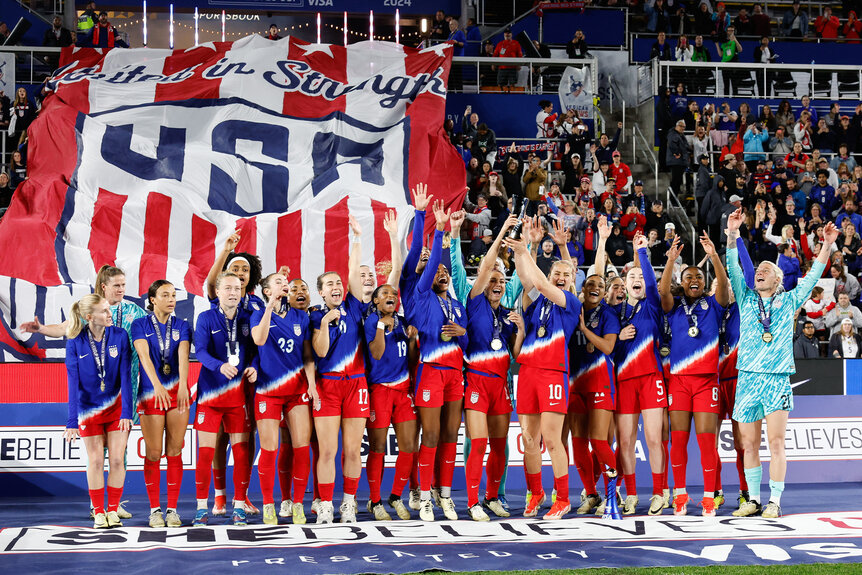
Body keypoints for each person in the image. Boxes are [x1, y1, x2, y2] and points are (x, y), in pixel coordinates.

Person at [726, 209, 838, 518]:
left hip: (775, 378)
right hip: (747, 377)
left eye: (765, 269)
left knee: (775, 442)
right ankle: (751, 500)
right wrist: (732, 234)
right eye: (758, 269)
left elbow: (813, 275)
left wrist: (826, 246)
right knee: (747, 444)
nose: (759, 271)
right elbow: (733, 268)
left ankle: (774, 500)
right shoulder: (746, 297)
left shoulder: (789, 300)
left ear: (778, 280)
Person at [505, 217, 582, 520]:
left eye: (566, 273)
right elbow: (528, 281)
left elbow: (539, 282)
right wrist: (524, 250)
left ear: (571, 279)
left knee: (552, 440)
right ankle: (535, 492)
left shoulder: (570, 303)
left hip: (553, 374)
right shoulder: (537, 303)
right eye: (557, 272)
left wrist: (526, 249)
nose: (561, 276)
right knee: (528, 440)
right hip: (528, 372)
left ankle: (562, 498)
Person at [658, 232, 730, 517]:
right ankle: (680, 495)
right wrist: (671, 262)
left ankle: (710, 497)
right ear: (682, 282)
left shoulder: (714, 304)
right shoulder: (673, 308)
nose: (694, 280)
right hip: (679, 381)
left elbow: (723, 286)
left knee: (705, 442)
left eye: (698, 276)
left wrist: (713, 256)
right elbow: (663, 292)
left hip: (706, 382)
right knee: (679, 440)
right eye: (688, 277)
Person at [463, 216, 524, 521]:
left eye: (502, 281)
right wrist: (502, 233)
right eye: (493, 279)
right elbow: (488, 264)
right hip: (476, 382)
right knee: (479, 443)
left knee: (500, 447)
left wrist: (521, 330)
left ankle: (491, 497)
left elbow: (516, 354)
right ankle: (473, 501)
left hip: (500, 386)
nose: (497, 283)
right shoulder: (474, 302)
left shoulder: (508, 315)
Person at [309, 214, 369, 524]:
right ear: (320, 292)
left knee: (353, 450)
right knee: (327, 451)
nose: (336, 286)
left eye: (337, 283)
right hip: (328, 386)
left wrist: (356, 238)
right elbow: (319, 353)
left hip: (356, 384)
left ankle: (348, 503)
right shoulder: (314, 316)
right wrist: (322, 324)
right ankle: (326, 506)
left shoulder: (354, 305)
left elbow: (353, 273)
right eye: (329, 284)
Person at [411, 198, 467, 521]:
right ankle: (426, 499)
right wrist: (439, 230)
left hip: (455, 376)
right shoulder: (420, 296)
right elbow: (431, 265)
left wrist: (462, 331)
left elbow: (469, 340)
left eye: (446, 271)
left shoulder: (457, 307)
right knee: (430, 436)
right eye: (438, 271)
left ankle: (443, 495)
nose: (442, 274)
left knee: (450, 436)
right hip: (431, 372)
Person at [203, 233, 263, 517]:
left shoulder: (258, 305)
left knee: (246, 437)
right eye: (234, 268)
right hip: (219, 383)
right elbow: (211, 285)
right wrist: (225, 250)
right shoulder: (223, 295)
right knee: (219, 437)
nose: (239, 275)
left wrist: (257, 366)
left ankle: (243, 495)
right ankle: (219, 496)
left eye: (245, 270)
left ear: (252, 277)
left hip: (249, 382)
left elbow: (265, 342)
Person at [250, 272, 317, 525]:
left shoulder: (301, 316)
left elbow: (307, 355)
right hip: (268, 389)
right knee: (269, 448)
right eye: (277, 282)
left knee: (301, 448)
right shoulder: (259, 313)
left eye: (284, 282)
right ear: (267, 291)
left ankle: (298, 504)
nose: (284, 285)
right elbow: (259, 339)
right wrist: (269, 307)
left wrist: (311, 385)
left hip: (297, 390)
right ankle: (269, 504)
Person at [612, 232, 670, 515]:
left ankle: (659, 493)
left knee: (653, 439)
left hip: (650, 379)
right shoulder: (615, 313)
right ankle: (632, 494)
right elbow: (605, 346)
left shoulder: (652, 306)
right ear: (624, 284)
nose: (637, 279)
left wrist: (643, 254)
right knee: (625, 441)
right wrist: (617, 337)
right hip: (624, 382)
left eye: (640, 277)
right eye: (630, 276)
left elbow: (648, 279)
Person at [192, 272, 257, 527]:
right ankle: (200, 508)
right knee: (206, 453)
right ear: (217, 292)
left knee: (241, 453)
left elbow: (257, 351)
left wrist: (254, 367)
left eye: (237, 288)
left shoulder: (249, 318)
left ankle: (239, 507)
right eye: (228, 288)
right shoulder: (206, 317)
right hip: (210, 396)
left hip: (238, 397)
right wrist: (219, 366)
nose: (233, 293)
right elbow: (200, 351)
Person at [64, 293, 132, 529]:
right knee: (94, 461)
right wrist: (72, 421)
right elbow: (72, 382)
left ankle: (113, 510)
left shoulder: (120, 336)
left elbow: (126, 377)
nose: (109, 314)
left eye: (109, 309)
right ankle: (99, 511)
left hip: (116, 408)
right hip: (89, 410)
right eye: (104, 311)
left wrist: (127, 412)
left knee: (116, 459)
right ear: (88, 317)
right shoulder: (75, 341)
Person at [131, 280, 192, 528]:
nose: (171, 299)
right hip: (150, 392)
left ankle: (172, 510)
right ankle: (154, 509)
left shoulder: (182, 325)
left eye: (174, 295)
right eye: (165, 295)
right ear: (152, 299)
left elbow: (183, 355)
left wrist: (185, 385)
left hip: (177, 392)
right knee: (154, 452)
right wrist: (156, 386)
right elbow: (143, 356)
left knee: (175, 451)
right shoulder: (140, 325)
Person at [362, 280, 418, 521]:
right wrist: (380, 328)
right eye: (385, 293)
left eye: (394, 294)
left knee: (408, 446)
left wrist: (413, 340)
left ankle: (396, 496)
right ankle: (374, 501)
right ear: (375, 300)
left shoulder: (404, 323)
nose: (391, 296)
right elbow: (376, 353)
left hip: (403, 390)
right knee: (378, 448)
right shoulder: (370, 322)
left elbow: (411, 358)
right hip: (379, 391)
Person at [667, 120, 691, 199]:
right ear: (676, 126)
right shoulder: (673, 134)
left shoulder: (681, 135)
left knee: (678, 182)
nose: (682, 128)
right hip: (676, 162)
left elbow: (686, 146)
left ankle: (674, 199)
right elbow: (672, 144)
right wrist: (676, 153)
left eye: (684, 127)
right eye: (681, 126)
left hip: (681, 162)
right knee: (676, 182)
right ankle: (672, 200)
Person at [493, 28, 522, 92]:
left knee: (513, 84)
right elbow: (495, 55)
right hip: (502, 67)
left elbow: (519, 55)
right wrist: (493, 64)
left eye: (509, 33)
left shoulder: (516, 43)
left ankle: (512, 97)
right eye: (506, 33)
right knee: (500, 84)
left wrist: (519, 64)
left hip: (513, 67)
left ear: (511, 34)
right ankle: (501, 96)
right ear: (504, 34)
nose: (507, 34)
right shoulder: (500, 44)